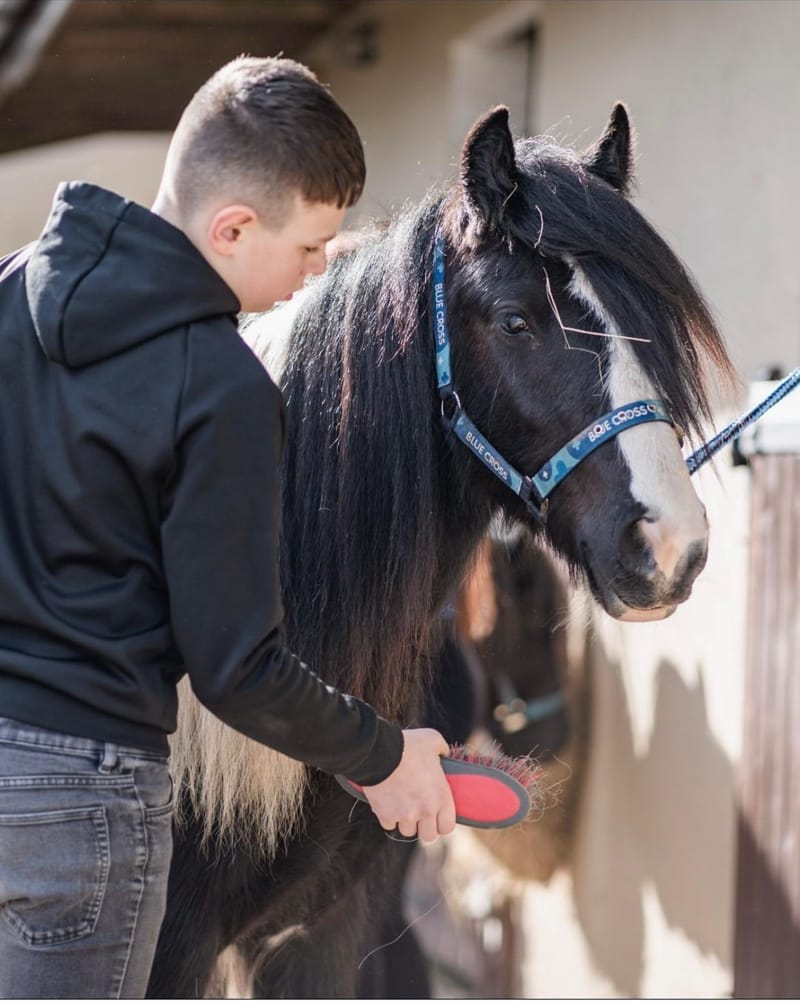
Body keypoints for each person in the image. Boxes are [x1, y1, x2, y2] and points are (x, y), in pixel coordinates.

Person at [0, 55, 455, 999]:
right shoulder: (223, 388)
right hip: (85, 809)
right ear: (234, 226)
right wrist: (386, 757)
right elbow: (238, 667)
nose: (323, 270)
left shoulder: (8, 295)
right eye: (312, 245)